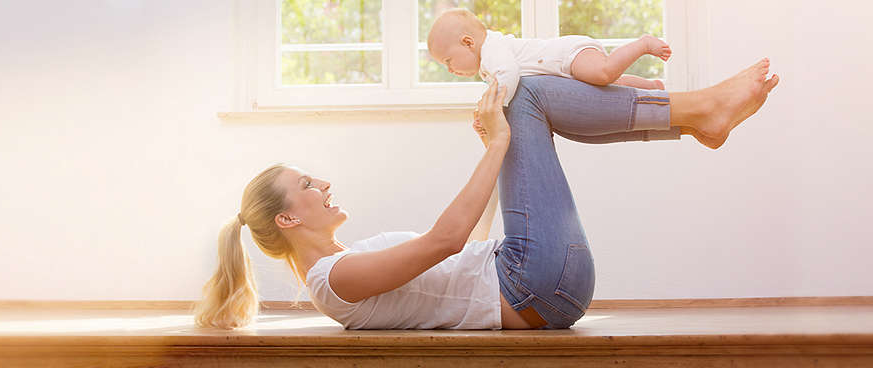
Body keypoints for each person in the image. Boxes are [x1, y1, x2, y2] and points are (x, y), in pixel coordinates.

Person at [193, 59, 779, 330]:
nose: (323, 184)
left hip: (532, 279)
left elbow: (464, 246)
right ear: (290, 218)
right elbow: (447, 241)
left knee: (520, 94)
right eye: (307, 184)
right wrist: (499, 143)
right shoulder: (334, 281)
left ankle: (696, 117)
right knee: (519, 92)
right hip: (533, 283)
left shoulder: (350, 262)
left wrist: (490, 146)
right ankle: (697, 112)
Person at [427, 8, 671, 100]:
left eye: (448, 60)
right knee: (613, 84)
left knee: (604, 72)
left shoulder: (492, 48)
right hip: (567, 67)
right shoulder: (487, 63)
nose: (450, 69)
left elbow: (508, 75)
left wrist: (493, 106)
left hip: (568, 55)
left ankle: (643, 44)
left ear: (468, 42)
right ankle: (654, 87)